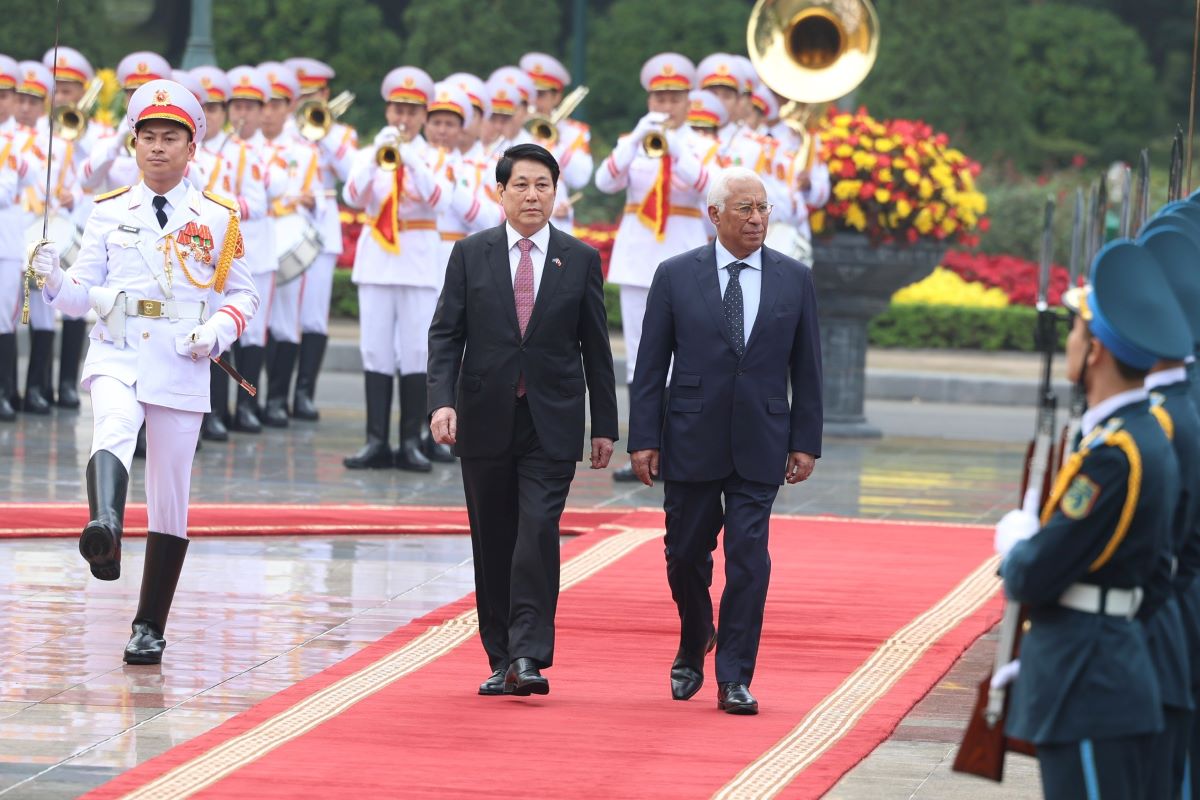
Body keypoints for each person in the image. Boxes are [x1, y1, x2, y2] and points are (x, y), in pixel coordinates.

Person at [30, 79, 258, 665]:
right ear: (133, 144)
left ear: (191, 147)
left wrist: (217, 331)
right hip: (119, 348)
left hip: (181, 359)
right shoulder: (107, 213)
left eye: (170, 137)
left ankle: (149, 624)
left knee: (170, 495)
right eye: (148, 137)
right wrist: (54, 280)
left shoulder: (217, 216)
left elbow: (244, 294)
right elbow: (82, 292)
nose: (158, 147)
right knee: (111, 426)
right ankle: (103, 530)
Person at [993, 240, 1192, 796]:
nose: (1072, 343)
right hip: (1107, 664)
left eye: (1078, 332)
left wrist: (1017, 545)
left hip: (1087, 679)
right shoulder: (1143, 436)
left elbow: (1032, 575)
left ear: (1098, 350)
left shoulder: (1114, 454)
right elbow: (1157, 576)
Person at [625, 166, 822, 715]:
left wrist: (805, 440)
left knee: (749, 558)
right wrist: (643, 437)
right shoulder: (674, 275)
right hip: (689, 435)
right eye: (745, 209)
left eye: (763, 209)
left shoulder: (794, 278)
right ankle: (694, 635)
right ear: (714, 216)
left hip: (762, 438)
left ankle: (734, 675)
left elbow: (808, 367)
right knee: (685, 553)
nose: (757, 219)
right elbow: (649, 365)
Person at [427, 143, 618, 697]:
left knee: (536, 532)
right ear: (501, 193)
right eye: (521, 185)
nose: (532, 195)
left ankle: (529, 655)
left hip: (551, 420)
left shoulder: (579, 258)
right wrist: (442, 401)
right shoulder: (471, 253)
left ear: (556, 193)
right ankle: (499, 656)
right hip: (484, 417)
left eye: (542, 185)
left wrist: (603, 425)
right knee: (494, 539)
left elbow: (595, 347)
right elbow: (446, 334)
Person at [594, 53, 712, 482]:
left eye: (674, 97)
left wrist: (676, 148)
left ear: (688, 102)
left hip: (685, 259)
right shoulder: (635, 142)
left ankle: (680, 450)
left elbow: (707, 188)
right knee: (640, 361)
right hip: (640, 260)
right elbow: (604, 181)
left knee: (688, 357)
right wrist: (632, 142)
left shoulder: (701, 145)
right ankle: (643, 451)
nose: (666, 105)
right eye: (659, 97)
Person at [342, 66, 453, 472]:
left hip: (418, 262)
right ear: (388, 112)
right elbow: (353, 196)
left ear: (424, 115)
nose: (403, 118)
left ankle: (410, 442)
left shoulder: (435, 156)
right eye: (397, 109)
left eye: (411, 110)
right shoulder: (370, 152)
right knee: (374, 351)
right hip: (377, 262)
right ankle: (375, 441)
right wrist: (377, 158)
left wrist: (411, 159)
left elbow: (440, 200)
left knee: (415, 353)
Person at [282, 58, 357, 422]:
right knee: (282, 316)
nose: (305, 103)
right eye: (300, 96)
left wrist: (322, 133)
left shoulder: (340, 135)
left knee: (313, 315)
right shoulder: (283, 132)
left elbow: (351, 174)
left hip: (321, 231)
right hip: (285, 227)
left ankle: (304, 393)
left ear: (325, 95)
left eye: (311, 96)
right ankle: (276, 395)